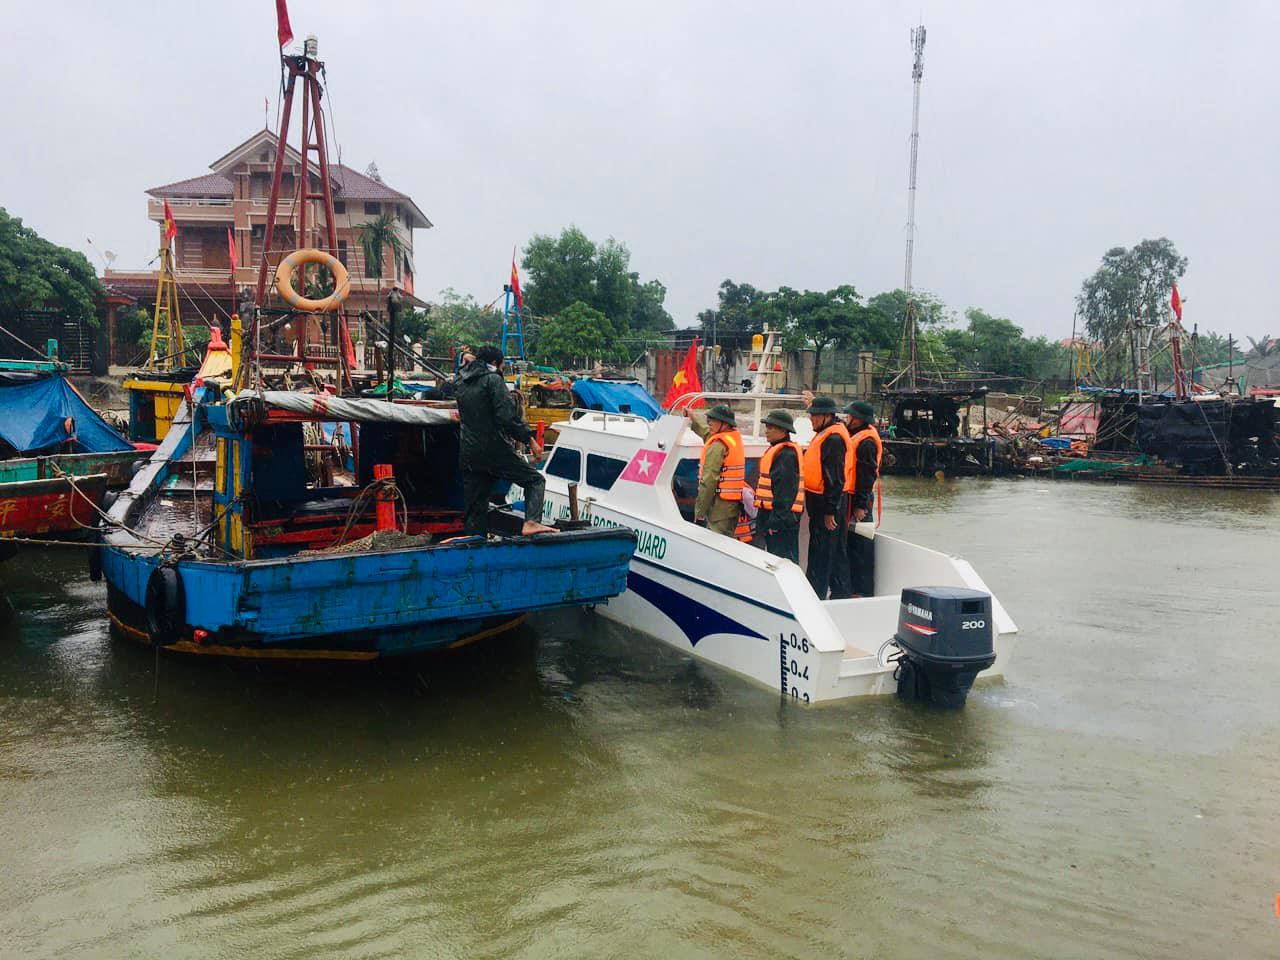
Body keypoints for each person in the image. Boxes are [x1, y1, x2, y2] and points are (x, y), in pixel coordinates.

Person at [455, 345, 555, 536]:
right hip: (494, 449)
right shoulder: (493, 380)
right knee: (534, 481)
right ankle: (532, 523)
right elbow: (507, 417)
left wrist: (466, 359)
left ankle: (475, 543)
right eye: (501, 367)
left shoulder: (460, 380)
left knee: (476, 506)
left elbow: (462, 367)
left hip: (469, 452)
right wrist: (530, 440)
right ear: (494, 364)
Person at [802, 395, 851, 599]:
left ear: (827, 417)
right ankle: (841, 594)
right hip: (826, 501)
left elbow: (835, 478)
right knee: (833, 551)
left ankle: (816, 596)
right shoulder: (828, 433)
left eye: (814, 416)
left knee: (821, 553)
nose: (811, 420)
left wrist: (830, 510)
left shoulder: (833, 439)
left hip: (828, 503)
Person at [684, 404, 750, 540]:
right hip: (731, 507)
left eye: (713, 420)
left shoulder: (718, 446)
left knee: (715, 544)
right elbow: (707, 433)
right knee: (727, 542)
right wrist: (693, 418)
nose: (709, 422)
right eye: (709, 419)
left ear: (724, 424)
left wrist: (699, 511)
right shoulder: (731, 438)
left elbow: (708, 481)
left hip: (719, 509)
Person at [842, 400, 883, 597]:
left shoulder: (866, 442)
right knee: (853, 544)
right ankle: (854, 588)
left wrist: (860, 505)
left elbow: (867, 474)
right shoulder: (857, 434)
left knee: (861, 546)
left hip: (861, 499)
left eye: (850, 416)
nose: (847, 419)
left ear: (858, 419)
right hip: (856, 496)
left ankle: (862, 591)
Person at [754, 409, 804, 562]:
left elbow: (785, 492)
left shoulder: (786, 455)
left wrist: (776, 522)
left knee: (782, 561)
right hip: (776, 516)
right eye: (766, 426)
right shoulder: (780, 451)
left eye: (770, 427)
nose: (766, 431)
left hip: (781, 520)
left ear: (783, 430)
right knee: (777, 558)